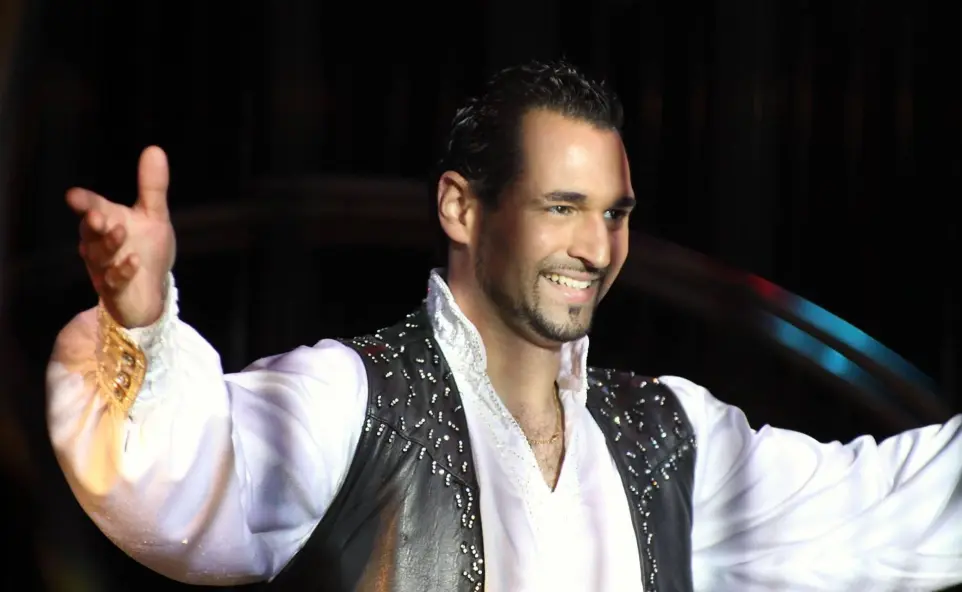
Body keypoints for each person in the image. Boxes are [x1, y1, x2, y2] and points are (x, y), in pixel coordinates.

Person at [47, 61, 962, 592]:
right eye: (562, 206)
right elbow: (184, 484)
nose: (596, 247)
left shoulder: (668, 440)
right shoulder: (356, 401)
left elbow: (889, 507)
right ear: (462, 208)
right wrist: (140, 322)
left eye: (614, 213)